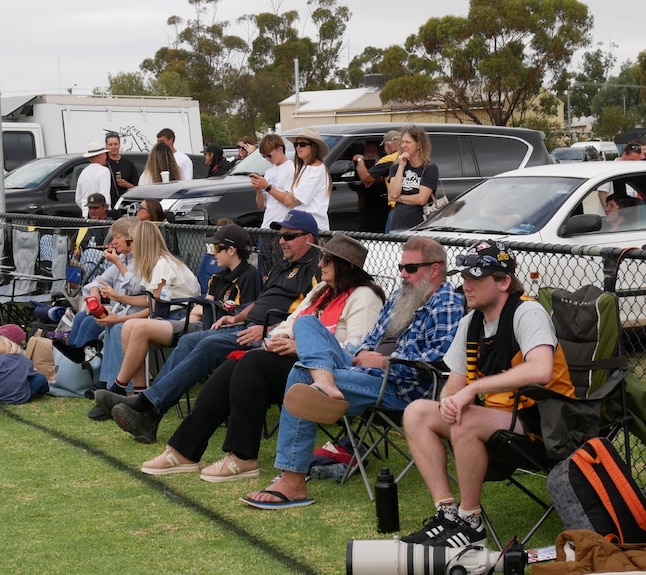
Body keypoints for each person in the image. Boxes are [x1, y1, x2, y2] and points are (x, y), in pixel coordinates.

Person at [140, 234, 385, 482]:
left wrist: (300, 347)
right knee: (233, 364)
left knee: (250, 363)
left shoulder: (365, 296)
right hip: (296, 364)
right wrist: (275, 341)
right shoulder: (323, 291)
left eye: (327, 260)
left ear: (348, 267)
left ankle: (242, 457)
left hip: (330, 375)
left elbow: (355, 353)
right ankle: (183, 451)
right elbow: (289, 323)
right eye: (321, 257)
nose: (320, 264)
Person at [241, 236, 463, 509]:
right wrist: (361, 356)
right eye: (401, 267)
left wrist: (383, 361)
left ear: (435, 269)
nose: (403, 275)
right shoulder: (399, 296)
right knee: (308, 323)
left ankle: (293, 481)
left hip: (398, 384)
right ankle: (324, 381)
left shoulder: (447, 302)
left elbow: (442, 358)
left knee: (301, 374)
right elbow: (371, 339)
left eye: (411, 269)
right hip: (364, 369)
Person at [401, 240, 575, 548]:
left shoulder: (527, 311)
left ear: (504, 281)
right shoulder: (472, 321)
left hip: (546, 423)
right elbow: (455, 381)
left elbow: (541, 370)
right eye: (464, 277)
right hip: (498, 420)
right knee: (418, 412)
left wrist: (474, 390)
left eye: (476, 278)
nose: (466, 286)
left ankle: (471, 523)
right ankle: (448, 514)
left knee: (466, 420)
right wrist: (449, 402)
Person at [94, 209, 321, 444]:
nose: (282, 241)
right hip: (247, 326)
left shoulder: (315, 268)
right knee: (190, 340)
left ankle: (145, 406)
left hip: (272, 335)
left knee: (208, 342)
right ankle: (149, 408)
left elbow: (311, 315)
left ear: (309, 238)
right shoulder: (282, 266)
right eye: (281, 236)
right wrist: (235, 318)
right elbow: (259, 302)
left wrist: (270, 329)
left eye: (289, 236)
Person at [111, 223, 259, 395]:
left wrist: (204, 311)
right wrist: (185, 321)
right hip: (197, 322)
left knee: (139, 327)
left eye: (217, 247)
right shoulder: (218, 277)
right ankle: (137, 391)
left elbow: (244, 314)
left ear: (232, 250)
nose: (213, 252)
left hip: (217, 328)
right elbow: (201, 308)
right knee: (130, 326)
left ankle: (121, 388)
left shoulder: (249, 276)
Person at [95, 219, 200, 396]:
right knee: (122, 327)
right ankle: (132, 391)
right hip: (168, 311)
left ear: (142, 242)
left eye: (132, 241)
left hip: (181, 316)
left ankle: (120, 389)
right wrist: (119, 297)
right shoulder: (155, 263)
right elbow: (150, 300)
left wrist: (120, 317)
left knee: (124, 327)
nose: (130, 245)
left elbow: (155, 306)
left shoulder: (162, 265)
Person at [55, 217, 146, 356]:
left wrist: (118, 264)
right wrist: (94, 292)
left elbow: (137, 287)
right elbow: (98, 281)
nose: (113, 242)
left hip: (134, 313)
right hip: (117, 309)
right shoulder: (123, 258)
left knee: (89, 323)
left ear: (130, 238)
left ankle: (79, 366)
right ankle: (66, 362)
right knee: (80, 317)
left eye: (117, 237)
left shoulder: (143, 260)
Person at [387, 125, 440, 233]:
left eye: (408, 142)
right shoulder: (396, 168)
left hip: (421, 224)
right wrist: (401, 166)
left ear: (419, 145)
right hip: (399, 223)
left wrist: (400, 198)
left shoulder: (429, 168)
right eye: (402, 142)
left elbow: (421, 199)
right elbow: (393, 194)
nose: (404, 146)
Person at [0, 324, 50, 404]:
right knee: (41, 378)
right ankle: (44, 391)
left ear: (8, 343)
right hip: (21, 398)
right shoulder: (25, 360)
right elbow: (32, 375)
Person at [283, 127, 332, 232]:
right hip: (302, 226)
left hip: (314, 228)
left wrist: (290, 197)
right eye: (296, 144)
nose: (298, 148)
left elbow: (291, 201)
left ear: (313, 147)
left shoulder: (316, 169)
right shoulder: (304, 168)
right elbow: (289, 199)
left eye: (303, 144)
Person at [353, 130, 401, 233]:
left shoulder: (389, 159)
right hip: (413, 209)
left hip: (397, 209)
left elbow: (366, 178)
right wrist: (375, 177)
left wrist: (359, 160)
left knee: (392, 241)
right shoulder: (408, 157)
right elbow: (387, 176)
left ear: (388, 146)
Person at [250, 134, 297, 229]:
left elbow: (289, 200)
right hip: (266, 225)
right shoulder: (269, 172)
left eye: (269, 155)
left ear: (280, 149)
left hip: (282, 225)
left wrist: (267, 187)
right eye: (264, 156)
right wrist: (259, 190)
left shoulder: (291, 169)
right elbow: (261, 206)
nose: (267, 159)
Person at [597, 141, 646, 211]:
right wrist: (608, 211)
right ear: (624, 154)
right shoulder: (610, 169)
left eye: (637, 161)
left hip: (630, 214)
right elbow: (602, 193)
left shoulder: (633, 169)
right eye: (632, 160)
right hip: (612, 216)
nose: (634, 163)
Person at [76, 142, 111, 218]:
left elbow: (78, 199)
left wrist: (86, 209)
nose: (106, 156)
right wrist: (106, 211)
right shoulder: (104, 171)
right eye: (105, 154)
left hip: (86, 214)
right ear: (100, 156)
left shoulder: (83, 172)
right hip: (101, 215)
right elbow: (105, 195)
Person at [105, 132, 139, 206]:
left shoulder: (128, 164)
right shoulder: (104, 165)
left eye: (116, 144)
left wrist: (126, 184)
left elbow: (137, 188)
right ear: (106, 146)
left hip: (126, 204)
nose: (113, 147)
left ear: (119, 145)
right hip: (108, 205)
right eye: (110, 145)